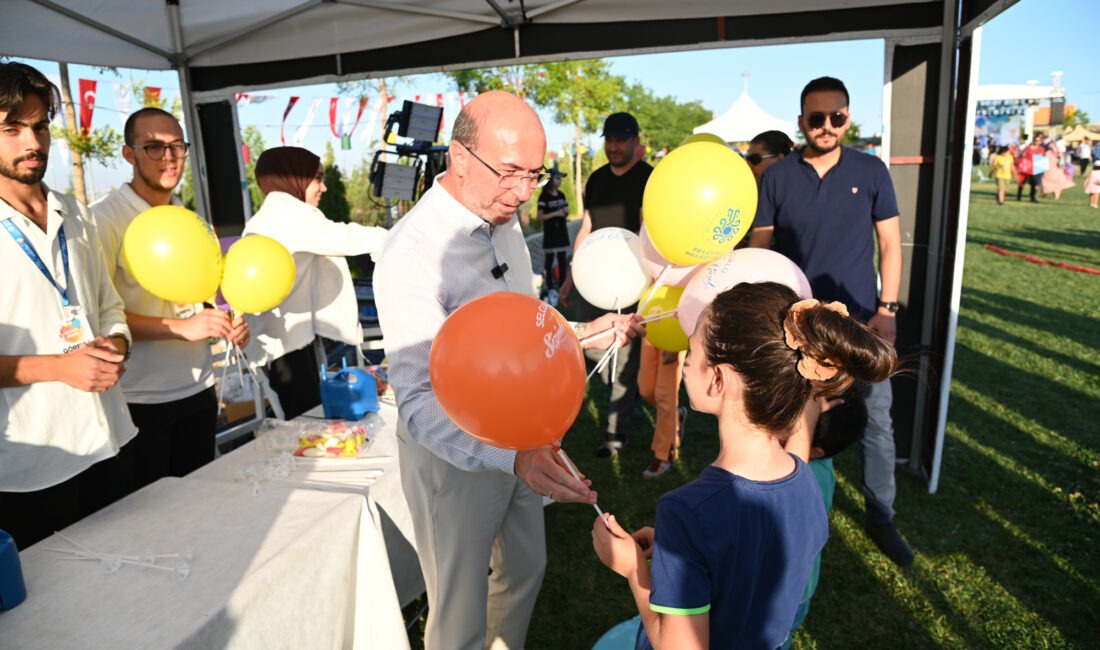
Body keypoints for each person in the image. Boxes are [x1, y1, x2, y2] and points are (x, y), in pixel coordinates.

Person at [373, 91, 644, 650]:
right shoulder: (412, 253)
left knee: (525, 572)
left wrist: (579, 333)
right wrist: (512, 457)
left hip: (522, 436)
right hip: (453, 455)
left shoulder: (501, 217)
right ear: (459, 157)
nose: (523, 192)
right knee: (458, 605)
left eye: (535, 175)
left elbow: (521, 323)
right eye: (511, 173)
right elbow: (420, 405)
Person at [592, 281, 900, 650]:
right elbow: (750, 565)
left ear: (719, 380)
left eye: (692, 353)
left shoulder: (685, 512)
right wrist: (682, 555)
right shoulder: (806, 483)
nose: (686, 364)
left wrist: (633, 569)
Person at [749, 76, 914, 566]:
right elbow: (760, 246)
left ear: (847, 117)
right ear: (801, 122)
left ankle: (881, 515)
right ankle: (785, 512)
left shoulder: (872, 169)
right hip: (798, 327)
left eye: (835, 117)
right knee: (787, 421)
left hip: (863, 325)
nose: (825, 126)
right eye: (815, 118)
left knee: (878, 423)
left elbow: (890, 244)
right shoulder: (777, 178)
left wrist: (889, 309)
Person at [0, 61, 136, 548]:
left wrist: (117, 343)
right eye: (10, 129)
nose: (32, 143)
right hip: (29, 466)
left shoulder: (75, 211)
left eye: (39, 127)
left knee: (126, 588)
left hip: (107, 438)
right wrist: (59, 368)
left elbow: (108, 304)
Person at [92, 107, 249, 490]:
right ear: (129, 154)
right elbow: (98, 315)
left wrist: (226, 321)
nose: (169, 158)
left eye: (177, 147)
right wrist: (181, 329)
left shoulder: (192, 219)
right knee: (149, 520)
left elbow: (207, 294)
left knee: (196, 504)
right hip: (140, 398)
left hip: (198, 387)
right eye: (154, 148)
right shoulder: (103, 219)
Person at [241, 146, 388, 419]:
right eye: (316, 178)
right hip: (283, 346)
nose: (323, 188)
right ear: (293, 177)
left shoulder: (276, 213)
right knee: (304, 422)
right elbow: (346, 237)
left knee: (309, 416)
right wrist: (401, 235)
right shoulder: (287, 213)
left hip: (286, 339)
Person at [560, 111, 654, 457]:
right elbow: (586, 227)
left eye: (620, 140)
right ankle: (624, 412)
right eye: (609, 140)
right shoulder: (597, 180)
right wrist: (572, 275)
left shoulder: (649, 179)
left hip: (631, 282)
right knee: (593, 347)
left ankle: (615, 433)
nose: (613, 146)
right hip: (592, 281)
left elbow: (649, 233)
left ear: (634, 141)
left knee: (625, 359)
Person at [536, 167, 570, 305]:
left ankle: (562, 286)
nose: (560, 181)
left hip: (561, 232)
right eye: (557, 178)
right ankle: (550, 288)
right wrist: (555, 214)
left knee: (562, 261)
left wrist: (565, 212)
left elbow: (566, 210)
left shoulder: (562, 195)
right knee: (549, 262)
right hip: (550, 235)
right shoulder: (543, 197)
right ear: (550, 180)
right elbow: (539, 216)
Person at [1040, 135, 1074, 200]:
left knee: (1047, 180)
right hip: (1054, 166)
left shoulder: (1048, 149)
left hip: (1051, 166)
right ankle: (1054, 195)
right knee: (1055, 180)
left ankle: (1046, 193)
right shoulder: (1054, 148)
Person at [1017, 134, 1044, 202]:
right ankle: (1019, 195)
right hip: (1027, 167)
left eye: (1038, 141)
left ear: (1040, 142)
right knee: (1022, 182)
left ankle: (1032, 197)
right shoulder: (1028, 148)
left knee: (1035, 183)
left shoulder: (1041, 149)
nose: (1036, 142)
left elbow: (1041, 157)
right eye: (1035, 140)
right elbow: (1023, 156)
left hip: (1036, 168)